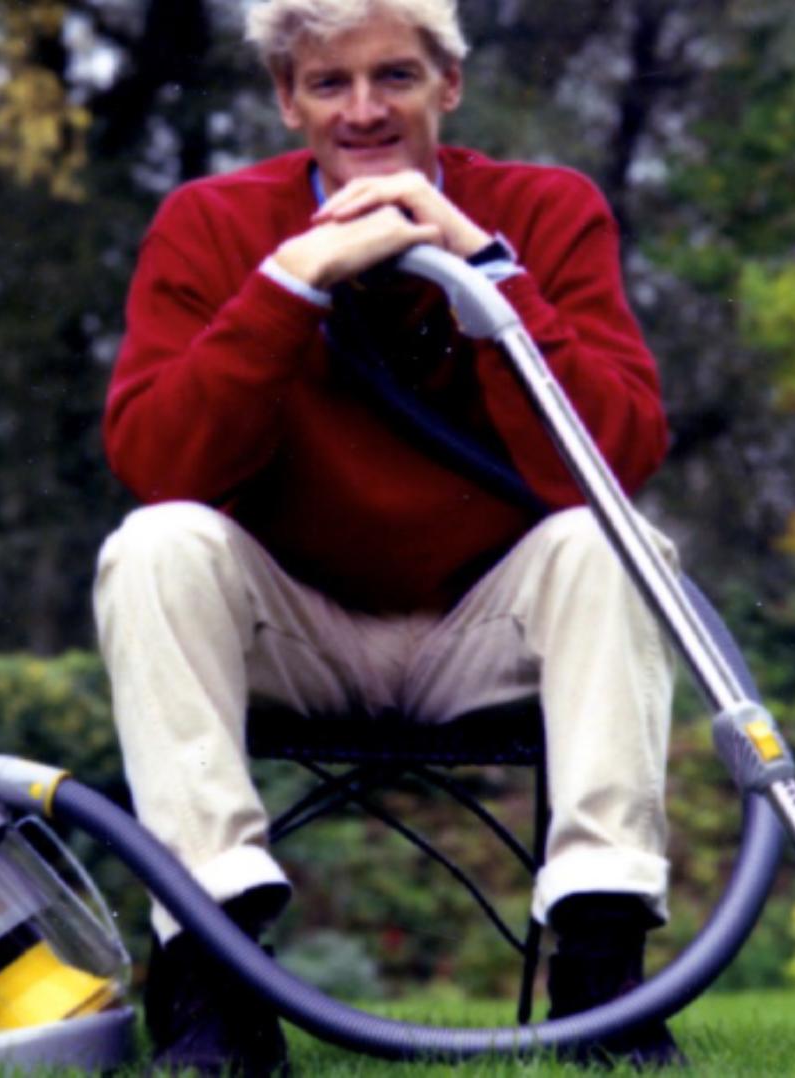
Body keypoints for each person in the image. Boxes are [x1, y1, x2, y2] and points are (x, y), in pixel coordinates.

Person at [95, 0, 684, 1070]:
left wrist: (486, 270)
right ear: (287, 99)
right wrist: (289, 285)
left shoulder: (545, 210)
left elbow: (611, 457)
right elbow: (158, 461)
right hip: (300, 631)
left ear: (448, 87)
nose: (364, 111)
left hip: (484, 628)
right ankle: (213, 972)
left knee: (620, 542)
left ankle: (602, 965)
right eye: (329, 83)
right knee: (155, 544)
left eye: (396, 78)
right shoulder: (210, 223)